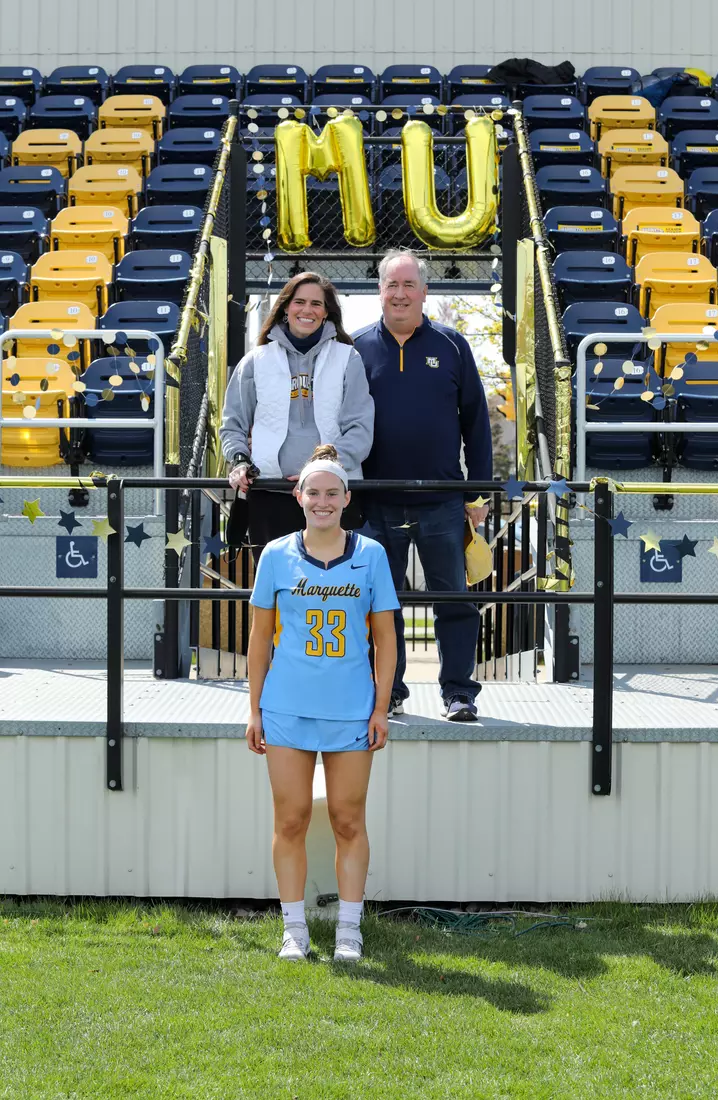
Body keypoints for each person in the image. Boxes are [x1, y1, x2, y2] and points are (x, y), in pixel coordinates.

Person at [247, 444, 398, 963]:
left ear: (347, 497)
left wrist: (380, 709)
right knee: (289, 820)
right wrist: (254, 709)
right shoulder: (275, 555)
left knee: (347, 820)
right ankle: (294, 931)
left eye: (332, 492)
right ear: (299, 496)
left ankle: (349, 931)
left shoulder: (371, 556)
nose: (323, 500)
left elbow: (386, 641)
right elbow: (259, 639)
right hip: (287, 707)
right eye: (314, 492)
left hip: (351, 710)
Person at [353, 249, 492, 723]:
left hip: (443, 502)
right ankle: (388, 690)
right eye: (391, 284)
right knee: (381, 608)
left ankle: (458, 693)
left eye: (409, 284)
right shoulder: (355, 349)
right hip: (377, 503)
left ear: (425, 291)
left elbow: (476, 424)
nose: (400, 293)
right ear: (380, 290)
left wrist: (477, 493)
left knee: (454, 602)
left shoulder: (453, 345)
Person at [220, 272, 374, 558]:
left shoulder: (348, 358)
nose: (307, 310)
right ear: (285, 307)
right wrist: (239, 461)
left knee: (332, 588)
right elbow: (233, 425)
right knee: (277, 592)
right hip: (270, 493)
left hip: (329, 497)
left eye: (316, 303)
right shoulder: (256, 361)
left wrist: (318, 470)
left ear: (327, 312)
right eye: (299, 301)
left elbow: (360, 429)